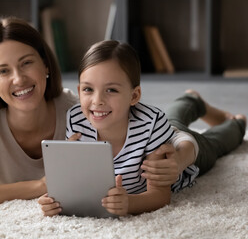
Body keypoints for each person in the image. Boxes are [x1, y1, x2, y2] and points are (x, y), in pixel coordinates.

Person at [0, 16, 197, 206]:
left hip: (172, 140)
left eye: (27, 63)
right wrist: (40, 186)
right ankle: (189, 100)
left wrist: (179, 160)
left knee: (200, 136)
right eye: (3, 71)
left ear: (46, 65)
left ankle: (193, 101)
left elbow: (171, 134)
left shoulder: (77, 108)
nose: (18, 79)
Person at [38, 40, 246, 216]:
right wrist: (56, 200)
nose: (97, 100)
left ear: (134, 96)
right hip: (163, 126)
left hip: (183, 154)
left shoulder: (151, 123)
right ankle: (191, 98)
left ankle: (237, 123)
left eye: (111, 89)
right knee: (173, 118)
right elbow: (74, 182)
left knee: (216, 144)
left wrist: (129, 203)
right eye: (88, 89)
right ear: (79, 91)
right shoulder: (76, 118)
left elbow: (160, 196)